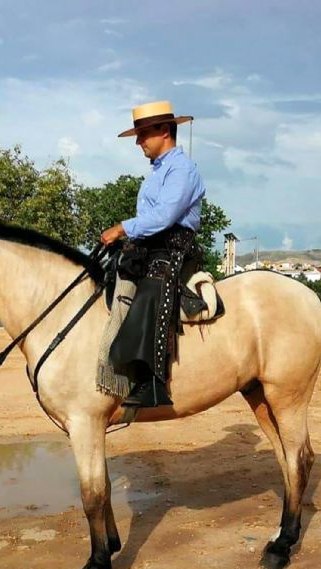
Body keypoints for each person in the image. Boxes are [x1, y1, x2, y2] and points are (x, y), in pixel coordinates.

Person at [100, 100, 206, 408]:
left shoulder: (182, 169)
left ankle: (154, 383)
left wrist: (121, 228)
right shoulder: (158, 171)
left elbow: (164, 217)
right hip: (152, 243)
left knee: (151, 289)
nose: (138, 141)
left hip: (174, 244)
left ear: (164, 131)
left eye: (143, 133)